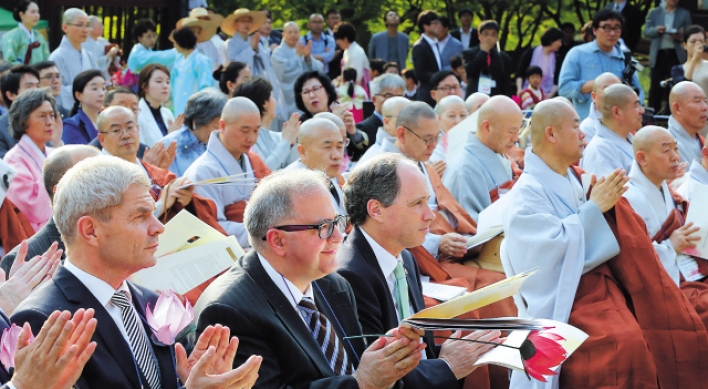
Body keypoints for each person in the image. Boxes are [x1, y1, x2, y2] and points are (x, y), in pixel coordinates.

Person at [499, 98, 708, 389]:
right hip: (567, 296)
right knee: (624, 343)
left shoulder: (576, 178)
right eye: (575, 127)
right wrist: (595, 209)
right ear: (551, 134)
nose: (583, 133)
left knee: (665, 324)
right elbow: (543, 260)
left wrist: (603, 207)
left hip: (603, 284)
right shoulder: (527, 194)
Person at [11, 154, 263, 389]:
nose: (158, 228)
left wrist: (188, 382)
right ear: (90, 230)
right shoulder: (45, 320)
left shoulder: (149, 300)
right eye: (140, 217)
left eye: (153, 214)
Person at [194, 168, 424, 388]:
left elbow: (358, 365)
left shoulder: (333, 284)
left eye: (337, 222)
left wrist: (388, 358)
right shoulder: (230, 311)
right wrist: (363, 383)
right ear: (278, 241)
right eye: (323, 227)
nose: (338, 236)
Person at [337, 152, 502, 389]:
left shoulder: (404, 255)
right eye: (417, 203)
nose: (431, 215)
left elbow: (421, 348)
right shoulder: (350, 276)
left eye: (428, 201)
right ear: (376, 210)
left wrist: (448, 357)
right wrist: (448, 366)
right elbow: (383, 376)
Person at [97, 106, 224, 236]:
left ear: (138, 130)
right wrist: (161, 204)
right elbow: (114, 226)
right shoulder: (97, 178)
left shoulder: (160, 175)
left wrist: (185, 201)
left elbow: (203, 213)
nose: (125, 135)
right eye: (116, 130)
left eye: (130, 128)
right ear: (102, 139)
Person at [184, 97, 271, 248]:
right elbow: (213, 228)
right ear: (222, 126)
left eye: (256, 130)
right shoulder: (202, 171)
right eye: (244, 130)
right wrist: (267, 231)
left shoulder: (254, 162)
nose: (251, 138)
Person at [1, 145, 100, 273]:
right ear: (61, 191)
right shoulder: (25, 260)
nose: (110, 186)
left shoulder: (118, 235)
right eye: (95, 177)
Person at [623, 126, 698, 289]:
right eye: (666, 151)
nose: (675, 157)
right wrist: (671, 246)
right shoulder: (626, 199)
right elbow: (631, 260)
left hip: (686, 274)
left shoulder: (669, 192)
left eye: (676, 149)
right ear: (642, 158)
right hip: (658, 286)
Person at [444, 95, 522, 221]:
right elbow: (469, 228)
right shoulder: (465, 169)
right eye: (511, 132)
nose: (516, 138)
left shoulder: (499, 152)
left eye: (518, 131)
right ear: (487, 127)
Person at [558, 9, 644, 119]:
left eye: (616, 28)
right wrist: (599, 84)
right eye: (607, 28)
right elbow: (564, 89)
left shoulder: (626, 58)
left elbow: (639, 92)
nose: (612, 33)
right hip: (586, 127)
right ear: (594, 30)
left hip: (618, 127)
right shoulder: (577, 53)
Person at [3, 88, 59, 232]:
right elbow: (34, 210)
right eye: (42, 116)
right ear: (23, 121)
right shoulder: (11, 161)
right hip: (34, 240)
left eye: (52, 115)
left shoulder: (55, 154)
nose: (49, 122)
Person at [223, 8, 287, 125]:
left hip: (259, 79)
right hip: (243, 83)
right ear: (235, 23)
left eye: (248, 21)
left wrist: (256, 48)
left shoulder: (254, 39)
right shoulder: (230, 44)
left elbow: (265, 60)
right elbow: (233, 65)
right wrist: (250, 49)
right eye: (242, 21)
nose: (246, 24)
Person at [89, 87, 177, 169]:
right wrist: (145, 170)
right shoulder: (90, 156)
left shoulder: (143, 150)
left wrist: (157, 171)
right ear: (103, 111)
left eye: (134, 108)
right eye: (121, 107)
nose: (128, 112)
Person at [232, 77, 299, 170]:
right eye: (273, 97)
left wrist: (293, 143)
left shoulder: (279, 136)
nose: (275, 103)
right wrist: (286, 142)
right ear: (264, 103)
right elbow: (262, 171)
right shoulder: (247, 139)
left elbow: (296, 168)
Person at [283, 118, 347, 214]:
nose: (336, 155)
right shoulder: (293, 187)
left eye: (339, 147)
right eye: (327, 147)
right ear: (302, 151)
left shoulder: (325, 173)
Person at [581, 84, 644, 177]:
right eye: (636, 106)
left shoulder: (632, 140)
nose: (642, 111)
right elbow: (614, 191)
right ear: (617, 112)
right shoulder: (599, 151)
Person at [160, 89, 227, 176]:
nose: (220, 131)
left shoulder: (218, 143)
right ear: (197, 121)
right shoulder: (169, 145)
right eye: (215, 125)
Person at [644, 0, 692, 113]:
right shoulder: (654, 12)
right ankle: (652, 115)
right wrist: (657, 30)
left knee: (675, 86)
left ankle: (673, 114)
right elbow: (646, 32)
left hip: (675, 54)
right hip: (659, 54)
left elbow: (688, 33)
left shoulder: (684, 13)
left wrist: (680, 36)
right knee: (656, 87)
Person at [48, 8, 98, 112]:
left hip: (88, 110)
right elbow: (56, 90)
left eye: (88, 25)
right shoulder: (57, 56)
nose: (85, 30)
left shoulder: (89, 56)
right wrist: (86, 90)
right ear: (65, 27)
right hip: (66, 112)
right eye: (80, 25)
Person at [272, 22, 324, 117]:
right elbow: (283, 74)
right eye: (290, 32)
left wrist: (308, 57)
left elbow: (319, 68)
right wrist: (297, 56)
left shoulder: (301, 49)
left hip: (305, 95)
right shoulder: (278, 53)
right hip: (287, 98)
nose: (293, 35)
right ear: (283, 34)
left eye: (295, 32)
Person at [354, 73, 406, 159]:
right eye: (389, 96)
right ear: (374, 100)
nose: (394, 101)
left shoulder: (410, 127)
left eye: (399, 97)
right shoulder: (363, 129)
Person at [462, 20, 513, 98]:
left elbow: (506, 82)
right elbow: (470, 70)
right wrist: (483, 52)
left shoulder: (503, 57)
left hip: (495, 97)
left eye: (493, 34)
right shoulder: (469, 53)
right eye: (486, 34)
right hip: (475, 96)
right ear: (479, 35)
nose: (489, 37)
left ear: (497, 37)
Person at [171, 27, 214, 117]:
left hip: (195, 108)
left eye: (175, 41)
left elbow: (205, 86)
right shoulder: (178, 59)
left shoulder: (201, 60)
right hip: (177, 104)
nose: (174, 44)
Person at [0, 65, 40, 158]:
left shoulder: (50, 118)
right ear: (11, 95)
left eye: (38, 86)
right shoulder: (1, 127)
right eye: (29, 87)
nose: (37, 92)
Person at [137, 64, 181, 147]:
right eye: (159, 81)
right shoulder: (137, 115)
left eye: (168, 82)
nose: (165, 86)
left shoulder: (167, 113)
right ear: (145, 86)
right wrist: (170, 136)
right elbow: (141, 153)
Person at [358, 96, 409, 165]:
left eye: (414, 118)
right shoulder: (377, 159)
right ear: (387, 122)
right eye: (404, 117)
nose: (412, 123)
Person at [515, 28, 564, 98]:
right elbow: (520, 73)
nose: (560, 44)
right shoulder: (530, 52)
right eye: (559, 41)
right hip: (527, 95)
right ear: (552, 40)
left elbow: (557, 80)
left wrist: (549, 95)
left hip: (547, 96)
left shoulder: (557, 58)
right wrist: (519, 89)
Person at [667, 81, 707, 164]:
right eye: (697, 101)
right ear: (677, 108)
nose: (705, 107)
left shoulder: (699, 139)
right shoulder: (668, 147)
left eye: (705, 101)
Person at [62, 69, 104, 145]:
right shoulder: (71, 125)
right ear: (79, 95)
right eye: (94, 89)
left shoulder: (109, 120)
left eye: (103, 88)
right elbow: (79, 154)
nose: (101, 93)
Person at [1, 0, 49, 65]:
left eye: (38, 12)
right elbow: (9, 63)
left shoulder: (39, 36)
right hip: (20, 74)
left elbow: (47, 59)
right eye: (33, 12)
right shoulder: (11, 36)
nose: (37, 15)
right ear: (21, 14)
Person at [579, 72, 622, 142]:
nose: (613, 95)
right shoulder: (588, 128)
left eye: (618, 91)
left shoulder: (628, 124)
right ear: (594, 96)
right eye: (607, 90)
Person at [412, 10, 442, 107]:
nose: (438, 25)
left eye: (438, 22)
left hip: (436, 92)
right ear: (425, 26)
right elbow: (420, 73)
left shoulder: (435, 43)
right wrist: (440, 77)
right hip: (427, 95)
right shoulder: (420, 46)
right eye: (435, 23)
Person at [430, 95, 468, 164]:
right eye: (451, 116)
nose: (458, 121)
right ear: (439, 119)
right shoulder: (432, 147)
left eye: (462, 115)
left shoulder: (475, 140)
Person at [189, 8, 227, 72]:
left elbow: (221, 64)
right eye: (199, 19)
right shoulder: (184, 43)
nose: (203, 22)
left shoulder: (214, 42)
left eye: (205, 20)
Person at [333, 22, 370, 89]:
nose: (337, 42)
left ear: (345, 39)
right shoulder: (347, 50)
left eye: (338, 39)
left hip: (358, 90)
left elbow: (357, 77)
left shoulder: (357, 52)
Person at [324, 9, 344, 80]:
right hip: (328, 74)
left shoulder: (346, 35)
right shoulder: (323, 37)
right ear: (327, 20)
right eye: (332, 18)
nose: (335, 21)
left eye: (337, 18)